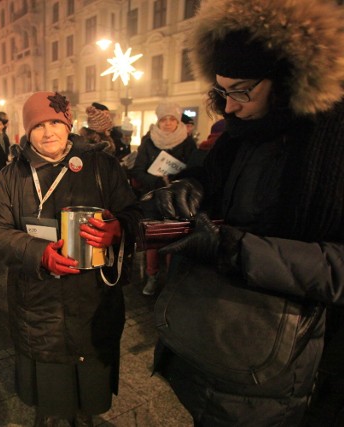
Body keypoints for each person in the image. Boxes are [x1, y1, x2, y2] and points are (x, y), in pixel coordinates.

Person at [146, 0, 344, 425]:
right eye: (221, 91)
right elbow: (214, 181)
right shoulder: (243, 135)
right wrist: (190, 188)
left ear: (289, 79)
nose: (230, 107)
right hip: (216, 340)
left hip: (280, 364)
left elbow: (337, 268)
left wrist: (235, 249)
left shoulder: (332, 145)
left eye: (241, 91)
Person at [0, 91, 142, 426]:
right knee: (51, 399)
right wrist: (37, 253)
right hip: (40, 306)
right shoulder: (13, 176)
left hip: (94, 298)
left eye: (56, 122)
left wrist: (117, 229)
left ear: (69, 124)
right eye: (39, 125)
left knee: (89, 393)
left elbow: (133, 214)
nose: (49, 131)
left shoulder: (101, 165)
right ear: (27, 131)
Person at [129, 102, 196, 296]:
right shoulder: (149, 141)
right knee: (154, 240)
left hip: (178, 200)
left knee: (175, 240)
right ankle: (152, 276)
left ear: (177, 122)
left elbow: (194, 171)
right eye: (164, 120)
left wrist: (176, 179)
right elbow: (138, 170)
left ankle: (172, 281)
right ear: (158, 122)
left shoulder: (188, 142)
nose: (167, 123)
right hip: (154, 197)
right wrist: (157, 179)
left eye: (172, 119)